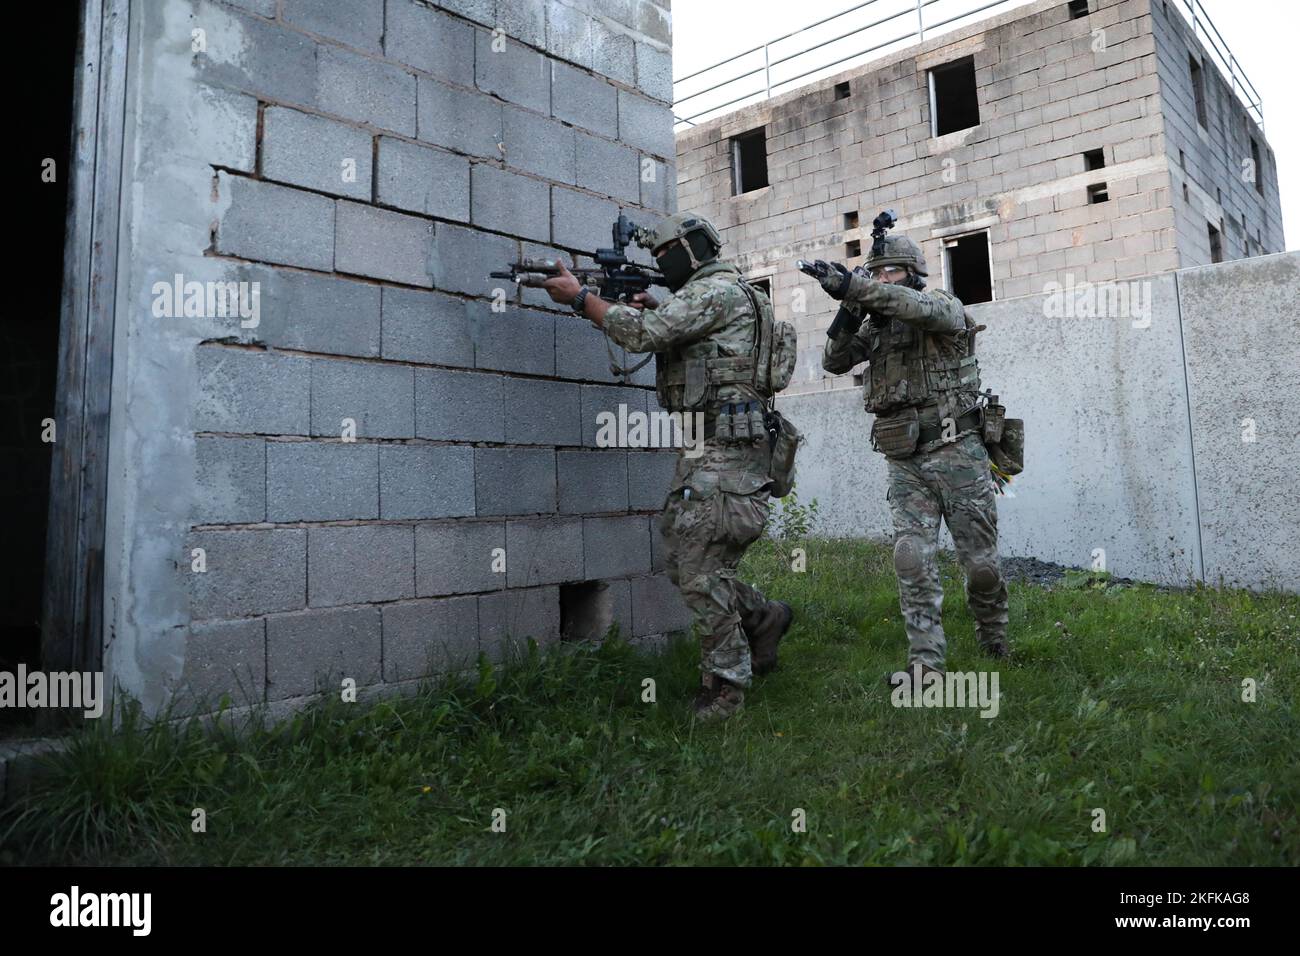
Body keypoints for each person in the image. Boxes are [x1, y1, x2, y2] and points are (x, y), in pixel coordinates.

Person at [542, 213, 794, 720]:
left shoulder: (714, 292)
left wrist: (580, 299)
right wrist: (650, 304)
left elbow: (644, 336)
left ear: (690, 250)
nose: (660, 265)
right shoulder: (734, 294)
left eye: (663, 256)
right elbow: (699, 341)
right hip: (713, 451)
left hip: (725, 453)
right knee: (686, 564)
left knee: (701, 572)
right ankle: (763, 618)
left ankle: (725, 687)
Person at [814, 233, 1009, 683]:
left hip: (958, 452)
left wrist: (857, 287)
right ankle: (926, 664)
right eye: (875, 272)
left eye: (891, 271)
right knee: (911, 558)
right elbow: (833, 360)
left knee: (981, 565)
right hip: (905, 458)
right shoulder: (875, 325)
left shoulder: (941, 305)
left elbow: (917, 309)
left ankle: (993, 637)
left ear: (914, 273)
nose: (882, 279)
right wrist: (850, 306)